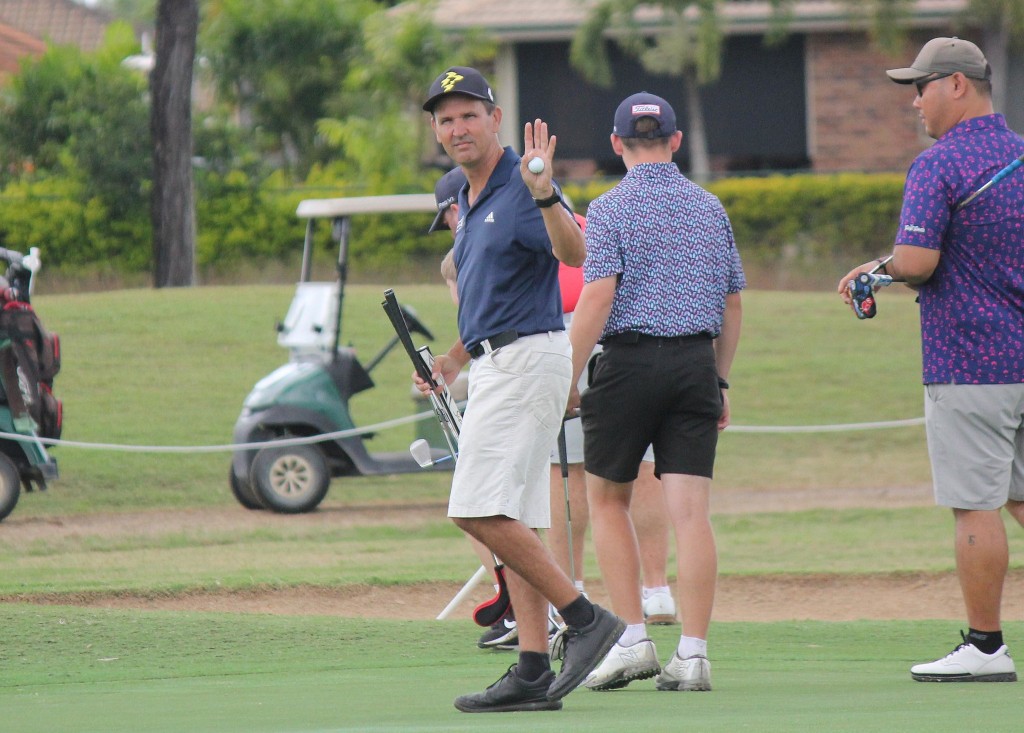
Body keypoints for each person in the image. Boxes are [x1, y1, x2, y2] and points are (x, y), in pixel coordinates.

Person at [416, 65, 625, 713]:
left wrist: (544, 188)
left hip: (525, 361)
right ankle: (532, 665)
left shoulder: (519, 181)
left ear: (495, 117)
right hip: (496, 363)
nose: (458, 128)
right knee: (517, 515)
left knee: (474, 509)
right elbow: (484, 301)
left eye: (468, 114)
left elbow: (575, 251)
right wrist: (453, 359)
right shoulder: (470, 200)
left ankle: (585, 618)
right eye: (446, 119)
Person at [837, 37, 1024, 683]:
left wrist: (875, 271)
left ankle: (986, 645)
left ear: (957, 85)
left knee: (977, 505)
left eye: (921, 87)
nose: (914, 101)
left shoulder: (938, 164)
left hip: (972, 360)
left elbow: (919, 262)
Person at [567, 92, 744, 693]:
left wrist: (565, 376)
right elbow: (732, 302)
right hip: (696, 361)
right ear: (674, 141)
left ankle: (634, 640)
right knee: (691, 514)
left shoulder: (610, 208)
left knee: (607, 500)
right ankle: (692, 654)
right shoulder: (709, 207)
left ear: (617, 144)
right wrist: (718, 378)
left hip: (629, 365)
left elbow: (597, 297)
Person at [547, 210, 677, 626]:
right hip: (632, 342)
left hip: (570, 333)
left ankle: (570, 590)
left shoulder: (527, 219)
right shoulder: (603, 219)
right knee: (642, 467)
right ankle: (656, 591)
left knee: (566, 469)